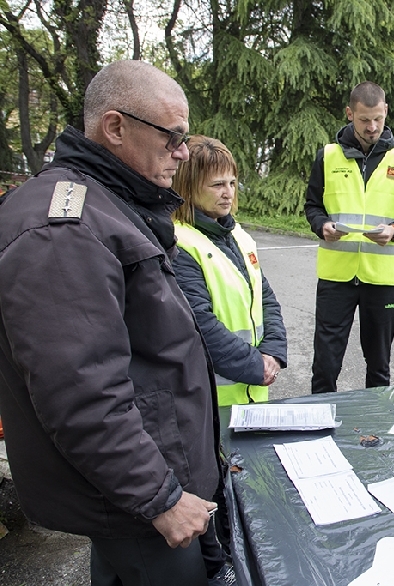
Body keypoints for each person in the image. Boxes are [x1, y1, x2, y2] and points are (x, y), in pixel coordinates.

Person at [0, 60, 221, 585]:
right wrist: (160, 498)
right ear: (116, 127)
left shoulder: (108, 204)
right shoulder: (64, 229)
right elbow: (80, 392)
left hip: (141, 490)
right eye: (173, 137)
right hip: (141, 505)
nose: (184, 153)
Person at [304, 81, 394, 394]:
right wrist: (322, 226)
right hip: (336, 278)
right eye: (363, 120)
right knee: (325, 364)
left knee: (379, 365)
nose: (372, 127)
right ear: (349, 114)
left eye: (378, 119)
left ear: (385, 111)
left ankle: (376, 430)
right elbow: (312, 206)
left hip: (381, 280)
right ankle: (319, 427)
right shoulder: (327, 157)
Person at [172, 135, 287, 406]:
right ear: (188, 187)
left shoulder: (237, 235)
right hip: (209, 404)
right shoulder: (180, 244)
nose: (229, 192)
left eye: (232, 183)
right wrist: (255, 366)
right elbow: (199, 324)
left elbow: (265, 298)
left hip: (251, 397)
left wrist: (273, 352)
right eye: (217, 185)